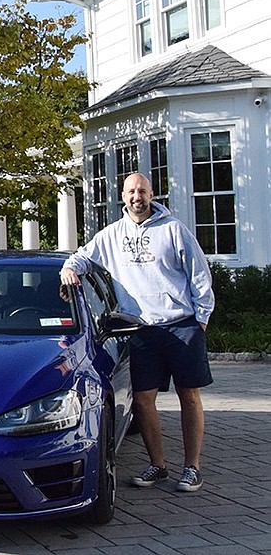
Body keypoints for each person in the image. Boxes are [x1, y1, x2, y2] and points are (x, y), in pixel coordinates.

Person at [61, 173, 215, 492]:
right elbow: (82, 257)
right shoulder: (112, 236)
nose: (136, 196)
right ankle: (158, 465)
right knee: (143, 401)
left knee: (190, 396)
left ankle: (192, 467)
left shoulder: (173, 230)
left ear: (151, 194)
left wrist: (200, 320)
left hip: (182, 325)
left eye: (142, 191)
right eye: (131, 191)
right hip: (142, 330)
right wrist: (69, 269)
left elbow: (199, 275)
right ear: (123, 196)